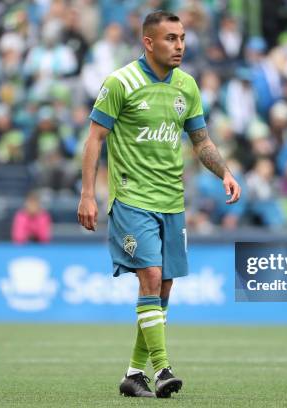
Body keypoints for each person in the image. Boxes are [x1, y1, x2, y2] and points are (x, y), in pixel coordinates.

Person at [77, 10, 241, 399]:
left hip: (172, 201)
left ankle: (134, 374)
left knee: (163, 288)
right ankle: (163, 369)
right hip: (132, 198)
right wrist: (87, 193)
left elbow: (200, 140)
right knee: (150, 277)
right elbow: (94, 140)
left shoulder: (187, 85)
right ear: (148, 42)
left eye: (182, 37)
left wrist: (226, 173)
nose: (180, 45)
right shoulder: (121, 82)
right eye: (170, 38)